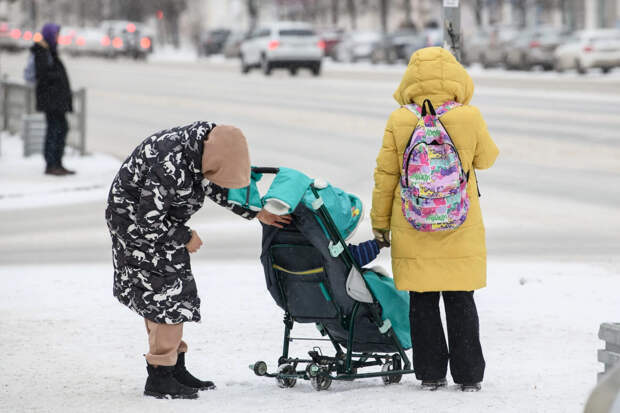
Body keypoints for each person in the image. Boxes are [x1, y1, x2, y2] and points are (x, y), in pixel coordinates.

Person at [105, 122, 291, 399]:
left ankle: (173, 367)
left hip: (154, 225)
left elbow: (214, 184)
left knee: (168, 294)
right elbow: (147, 219)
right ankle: (160, 377)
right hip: (135, 228)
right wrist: (185, 235)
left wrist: (255, 213)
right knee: (167, 298)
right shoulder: (170, 161)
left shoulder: (202, 149)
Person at [371, 47, 499, 392]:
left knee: (422, 300)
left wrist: (380, 224)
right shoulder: (468, 117)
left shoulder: (400, 119)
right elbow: (487, 159)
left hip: (412, 222)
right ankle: (469, 376)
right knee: (460, 299)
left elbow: (385, 176)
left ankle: (430, 374)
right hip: (461, 221)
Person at [31, 23, 74, 176]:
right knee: (55, 130)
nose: (58, 38)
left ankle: (57, 163)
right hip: (51, 101)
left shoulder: (50, 51)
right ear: (49, 34)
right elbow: (43, 76)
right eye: (56, 34)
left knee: (60, 129)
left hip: (56, 101)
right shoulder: (42, 52)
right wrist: (57, 80)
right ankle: (52, 164)